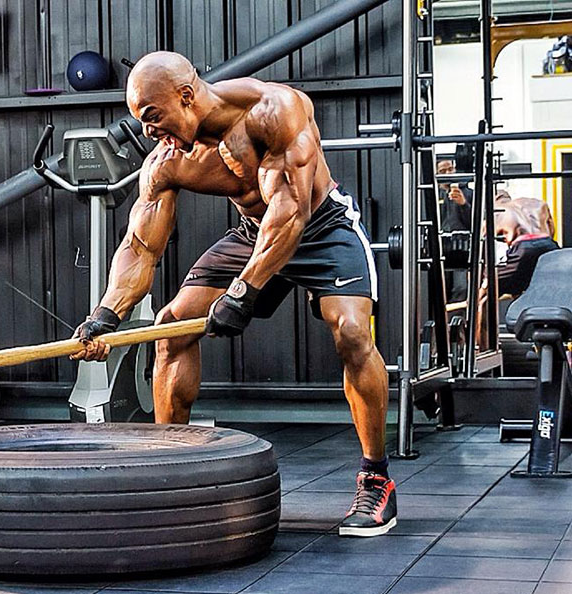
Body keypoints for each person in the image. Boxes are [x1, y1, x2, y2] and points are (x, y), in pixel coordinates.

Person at [69, 51, 395, 537]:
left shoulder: (273, 110)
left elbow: (290, 213)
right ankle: (172, 474)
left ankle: (376, 478)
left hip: (320, 227)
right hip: (250, 233)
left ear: (185, 95)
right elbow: (140, 246)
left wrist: (243, 293)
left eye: (153, 117)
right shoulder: (168, 163)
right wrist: (105, 315)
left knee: (351, 333)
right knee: (170, 326)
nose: (150, 132)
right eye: (143, 123)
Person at [476, 195, 558, 346]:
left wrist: (484, 280)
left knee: (482, 297)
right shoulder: (536, 203)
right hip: (549, 246)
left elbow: (481, 247)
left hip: (524, 248)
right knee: (542, 293)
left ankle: (483, 348)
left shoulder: (498, 211)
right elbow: (551, 229)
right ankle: (548, 343)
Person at [436, 158, 473, 302]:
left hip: (462, 249)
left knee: (461, 288)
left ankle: (458, 321)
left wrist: (464, 204)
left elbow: (476, 223)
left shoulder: (469, 193)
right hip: (439, 249)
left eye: (450, 169)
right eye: (442, 171)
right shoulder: (429, 194)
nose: (447, 174)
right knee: (440, 289)